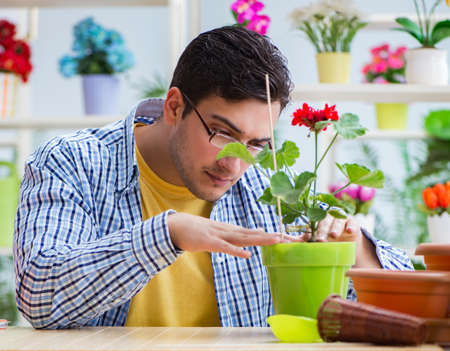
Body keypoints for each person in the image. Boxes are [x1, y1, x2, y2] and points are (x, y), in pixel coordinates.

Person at [14, 26, 413, 329]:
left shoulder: (269, 191)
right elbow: (39, 295)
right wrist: (165, 235)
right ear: (174, 106)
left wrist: (358, 250)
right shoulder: (72, 163)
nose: (235, 164)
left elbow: (412, 307)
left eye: (256, 143)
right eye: (223, 134)